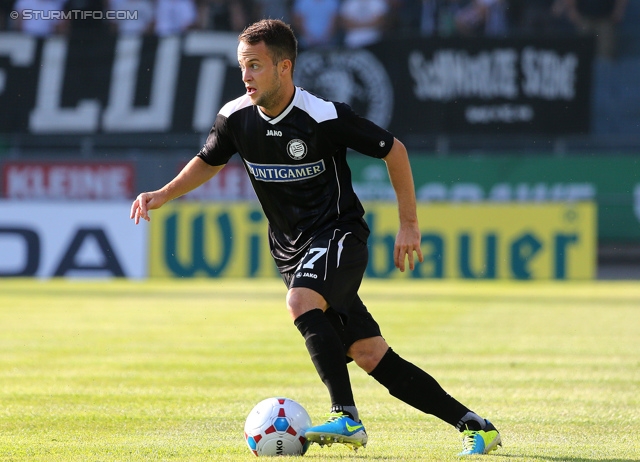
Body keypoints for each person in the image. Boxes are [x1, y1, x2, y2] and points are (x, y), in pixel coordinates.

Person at [130, 19, 501, 456]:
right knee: (369, 354)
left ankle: (346, 416)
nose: (246, 76)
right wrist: (164, 193)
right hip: (290, 252)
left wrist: (409, 224)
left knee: (300, 302)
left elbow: (393, 150)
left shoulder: (322, 115)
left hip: (340, 235)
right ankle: (476, 425)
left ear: (284, 68)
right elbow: (208, 160)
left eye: (255, 66)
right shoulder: (235, 118)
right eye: (241, 66)